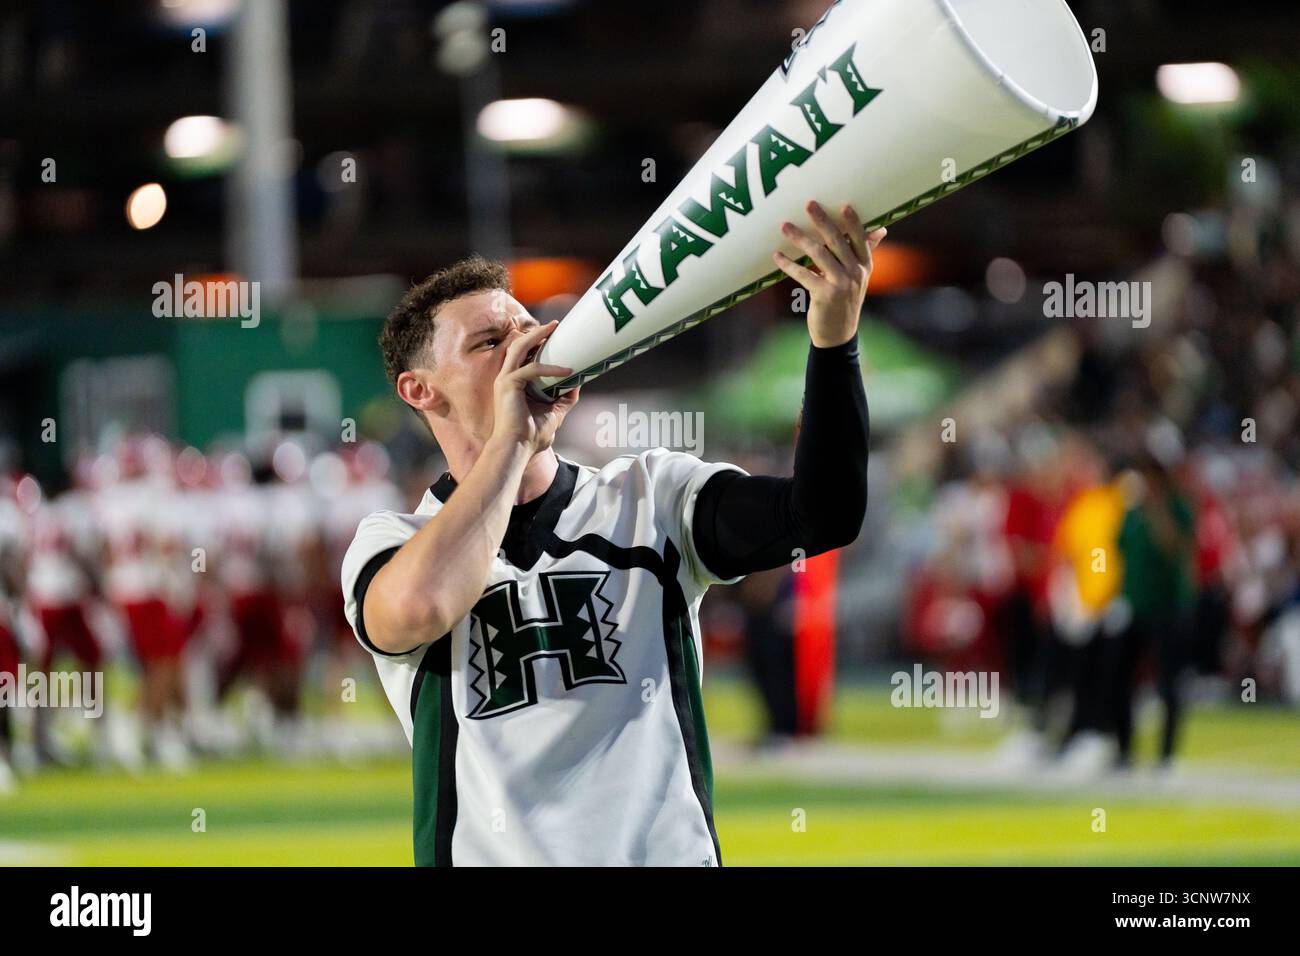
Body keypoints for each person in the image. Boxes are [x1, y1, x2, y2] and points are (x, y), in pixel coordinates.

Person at [342, 200, 876, 866]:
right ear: (420, 391)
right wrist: (513, 440)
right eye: (488, 343)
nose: (524, 348)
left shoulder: (652, 497)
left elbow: (824, 514)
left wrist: (833, 341)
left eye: (526, 328)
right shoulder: (393, 539)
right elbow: (420, 609)